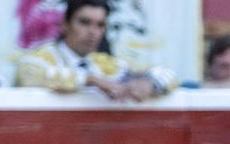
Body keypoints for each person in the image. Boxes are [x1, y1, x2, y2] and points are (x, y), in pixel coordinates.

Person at [15, 0, 177, 101]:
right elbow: (29, 75)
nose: (93, 32)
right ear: (64, 24)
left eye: (100, 25)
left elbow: (168, 75)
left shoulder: (104, 63)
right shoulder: (41, 57)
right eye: (84, 22)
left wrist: (150, 83)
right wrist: (91, 80)